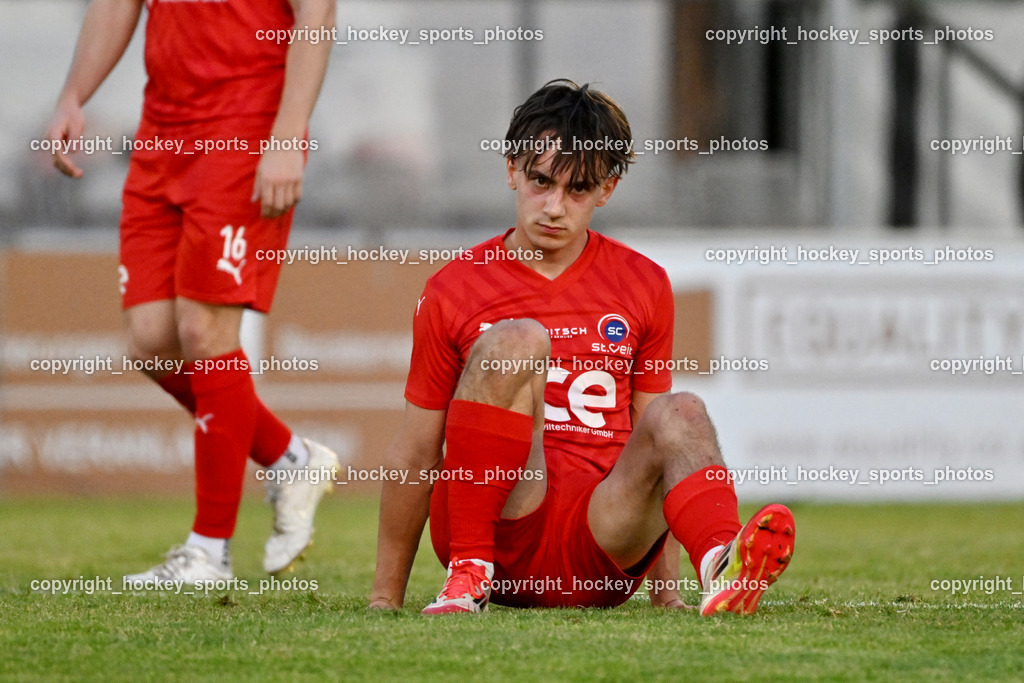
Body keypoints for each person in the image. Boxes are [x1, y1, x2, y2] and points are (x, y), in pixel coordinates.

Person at [369, 79, 795, 615]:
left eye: (577, 190)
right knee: (518, 338)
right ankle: (468, 575)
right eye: (541, 181)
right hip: (502, 532)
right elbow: (415, 452)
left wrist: (666, 594)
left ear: (606, 190)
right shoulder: (453, 287)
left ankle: (720, 565)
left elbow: (657, 443)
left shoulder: (644, 283)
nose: (554, 207)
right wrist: (385, 599)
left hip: (602, 548)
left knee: (683, 410)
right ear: (511, 171)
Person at [44, 0, 338, 583]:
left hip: (246, 129)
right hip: (162, 132)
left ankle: (209, 552)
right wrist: (74, 94)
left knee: (206, 331)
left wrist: (287, 132)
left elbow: (318, 13)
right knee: (151, 339)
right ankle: (290, 458)